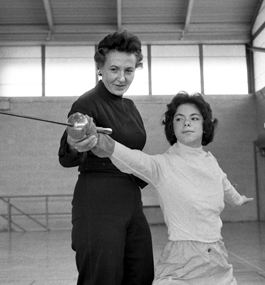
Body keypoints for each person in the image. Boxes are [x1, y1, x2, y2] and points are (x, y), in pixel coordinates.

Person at [75, 91, 254, 285]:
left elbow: (224, 184)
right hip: (181, 264)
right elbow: (132, 158)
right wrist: (103, 141)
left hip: (218, 260)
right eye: (179, 119)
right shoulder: (163, 165)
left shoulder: (211, 162)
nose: (186, 123)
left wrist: (238, 199)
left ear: (205, 125)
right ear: (172, 127)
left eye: (194, 118)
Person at [58, 30, 154, 285]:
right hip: (98, 202)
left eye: (129, 70)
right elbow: (67, 154)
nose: (121, 78)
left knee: (141, 275)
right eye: (113, 69)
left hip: (132, 200)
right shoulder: (86, 104)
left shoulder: (130, 107)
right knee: (103, 278)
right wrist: (76, 141)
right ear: (100, 68)